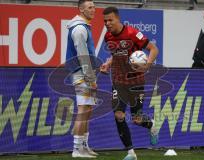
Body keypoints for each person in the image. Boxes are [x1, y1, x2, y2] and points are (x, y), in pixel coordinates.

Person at [100, 7, 159, 160]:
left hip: (136, 81)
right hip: (118, 81)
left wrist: (147, 64)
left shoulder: (133, 34)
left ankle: (151, 124)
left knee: (136, 119)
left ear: (118, 19)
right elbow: (115, 55)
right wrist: (108, 64)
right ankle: (131, 153)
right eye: (105, 21)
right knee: (119, 115)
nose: (107, 23)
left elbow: (153, 49)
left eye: (110, 20)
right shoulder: (107, 36)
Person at [65, 0, 98, 158]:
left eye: (94, 7)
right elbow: (83, 57)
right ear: (81, 9)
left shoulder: (84, 27)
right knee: (82, 110)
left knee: (88, 110)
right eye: (90, 7)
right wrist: (91, 78)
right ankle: (77, 149)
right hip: (81, 75)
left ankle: (84, 146)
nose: (94, 9)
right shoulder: (79, 29)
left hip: (84, 74)